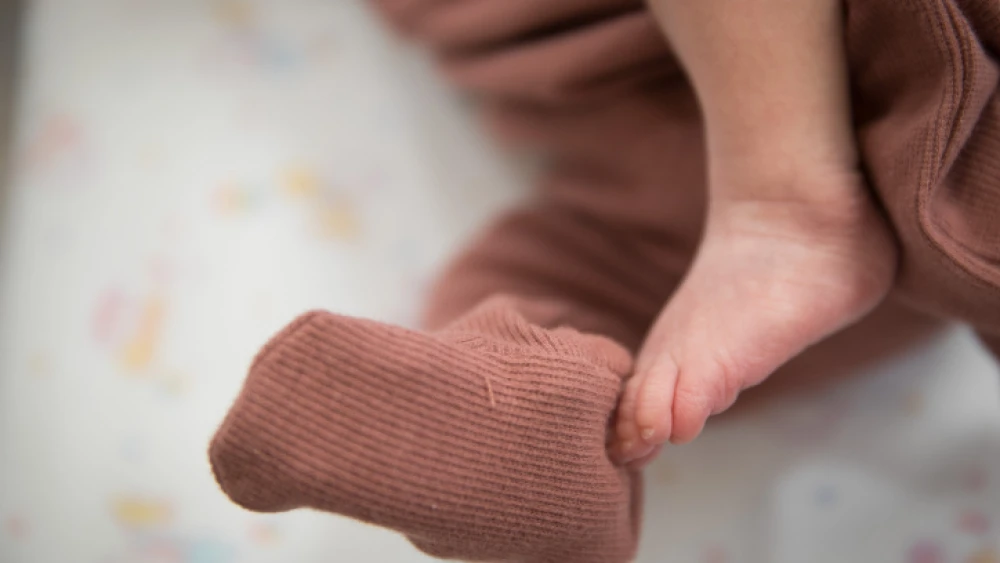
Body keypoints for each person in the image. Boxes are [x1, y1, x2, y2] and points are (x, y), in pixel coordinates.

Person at [209, 0, 1000, 561]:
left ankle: (526, 422)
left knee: (590, 300)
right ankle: (525, 423)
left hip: (710, 122)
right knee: (597, 320)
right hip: (706, 175)